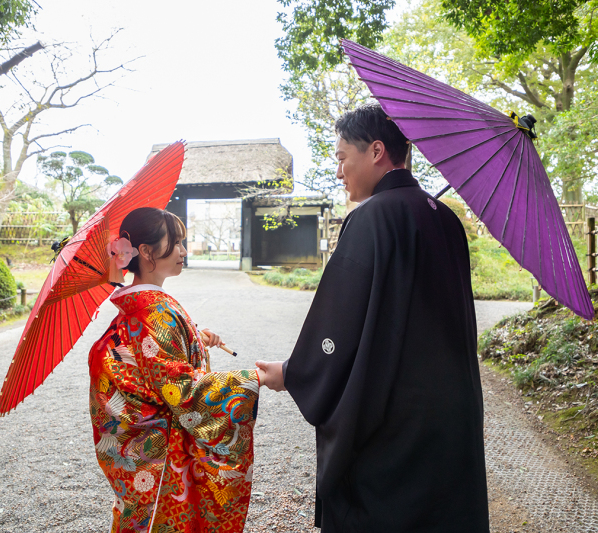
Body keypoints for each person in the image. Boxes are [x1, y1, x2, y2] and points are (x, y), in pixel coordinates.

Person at [256, 104, 490, 532]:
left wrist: (292, 373)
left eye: (343, 157)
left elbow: (340, 324)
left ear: (377, 151)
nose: (339, 171)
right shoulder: (447, 220)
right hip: (451, 411)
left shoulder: (371, 218)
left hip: (394, 417)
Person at [89, 207, 260, 533]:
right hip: (163, 456)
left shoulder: (144, 306)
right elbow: (179, 388)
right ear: (146, 251)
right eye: (177, 242)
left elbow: (151, 359)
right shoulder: (153, 311)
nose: (183, 250)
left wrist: (193, 337)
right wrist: (254, 380)